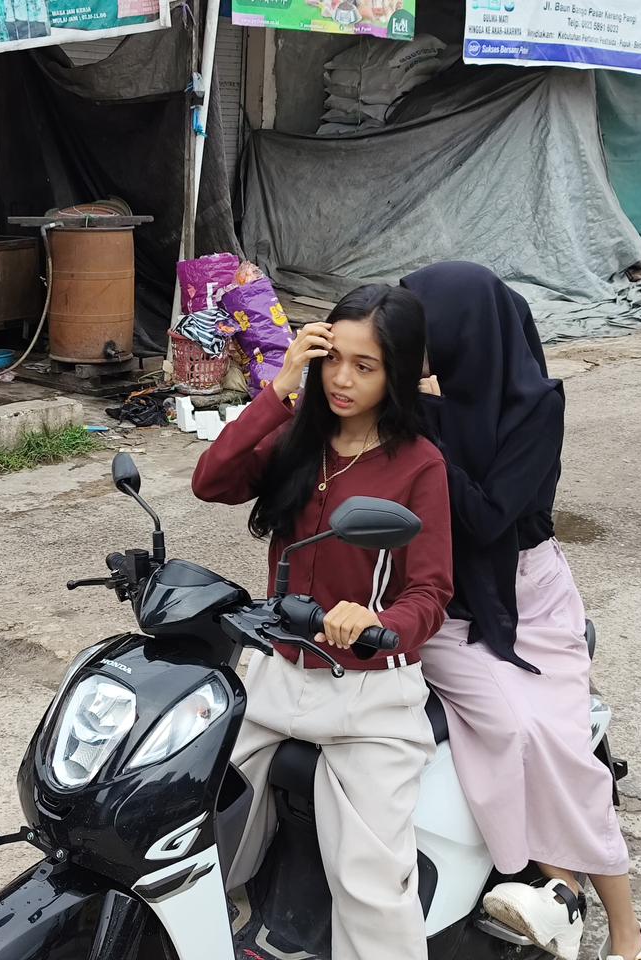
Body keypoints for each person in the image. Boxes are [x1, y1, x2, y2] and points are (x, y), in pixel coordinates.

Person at [402, 262, 641, 960]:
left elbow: (488, 518)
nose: (407, 344)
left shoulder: (534, 405)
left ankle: (628, 935)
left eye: (419, 329)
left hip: (529, 595)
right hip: (445, 604)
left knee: (561, 745)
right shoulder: (413, 402)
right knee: (508, 728)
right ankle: (556, 885)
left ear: (462, 331)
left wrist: (419, 427)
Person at [191, 284, 453, 960]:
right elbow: (211, 480)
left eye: (365, 367)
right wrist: (278, 388)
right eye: (332, 358)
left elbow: (430, 590)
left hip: (369, 695)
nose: (341, 378)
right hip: (276, 675)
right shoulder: (295, 434)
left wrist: (379, 620)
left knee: (370, 882)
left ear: (397, 374)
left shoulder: (418, 465)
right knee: (185, 812)